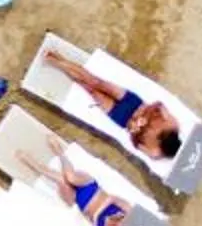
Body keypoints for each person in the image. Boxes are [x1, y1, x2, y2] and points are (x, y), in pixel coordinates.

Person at [32, 46, 185, 163]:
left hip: (122, 118)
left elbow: (135, 144)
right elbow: (159, 105)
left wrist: (135, 130)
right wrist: (144, 114)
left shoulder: (155, 153)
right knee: (95, 82)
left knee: (90, 90)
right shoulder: (173, 124)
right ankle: (58, 61)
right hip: (134, 104)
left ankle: (60, 61)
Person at [16, 135, 129, 226]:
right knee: (70, 178)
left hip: (77, 201)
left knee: (61, 180)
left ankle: (35, 165)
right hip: (90, 187)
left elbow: (93, 224)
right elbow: (111, 198)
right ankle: (59, 153)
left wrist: (100, 216)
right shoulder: (127, 211)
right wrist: (99, 214)